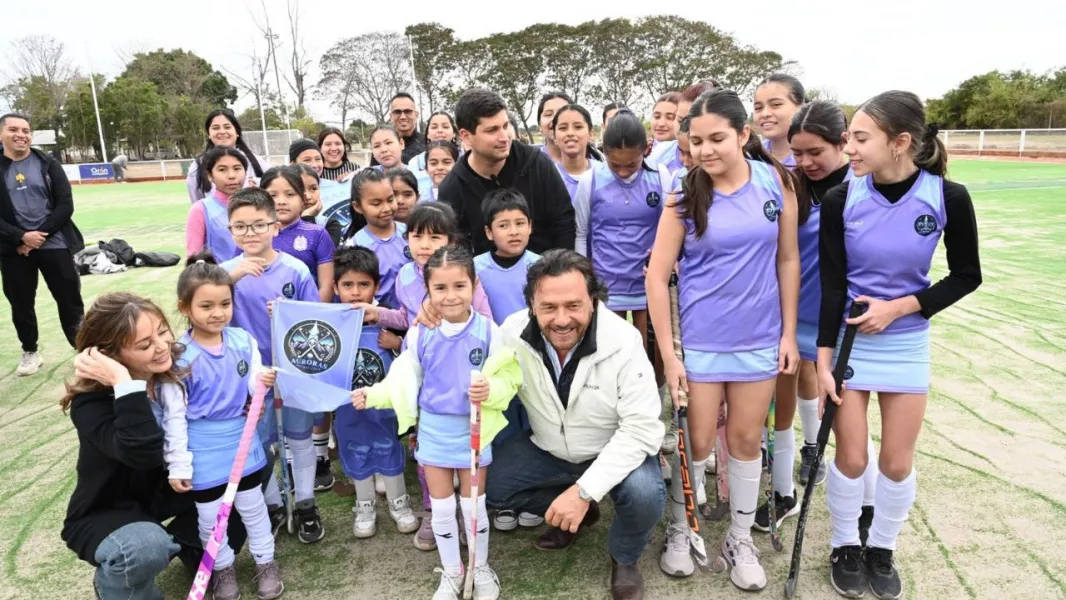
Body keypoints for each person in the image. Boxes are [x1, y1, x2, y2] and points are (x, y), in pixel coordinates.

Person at [819, 90, 981, 600]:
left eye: (861, 139)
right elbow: (831, 285)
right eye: (849, 138)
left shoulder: (948, 197)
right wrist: (823, 359)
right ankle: (845, 544)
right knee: (851, 458)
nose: (850, 149)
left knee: (894, 461)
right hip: (849, 347)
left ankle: (881, 547)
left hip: (907, 344)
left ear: (901, 142)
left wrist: (900, 307)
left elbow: (966, 276)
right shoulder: (840, 198)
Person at [646, 88, 800, 590]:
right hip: (703, 344)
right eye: (696, 141)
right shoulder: (683, 195)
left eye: (717, 139)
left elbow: (787, 260)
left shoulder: (776, 182)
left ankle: (739, 537)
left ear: (743, 135)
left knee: (746, 440)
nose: (706, 150)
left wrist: (789, 334)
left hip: (759, 340)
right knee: (697, 441)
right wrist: (670, 356)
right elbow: (656, 276)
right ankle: (680, 527)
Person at [488, 250, 666, 600]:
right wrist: (433, 320)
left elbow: (642, 429)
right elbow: (469, 344)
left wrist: (584, 490)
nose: (562, 319)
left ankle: (624, 556)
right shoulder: (511, 333)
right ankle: (578, 513)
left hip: (613, 450)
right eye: (549, 307)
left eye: (574, 305)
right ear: (531, 305)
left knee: (646, 496)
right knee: (493, 487)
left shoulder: (624, 341)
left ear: (594, 302)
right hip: (549, 448)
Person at [354, 244, 520, 600]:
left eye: (459, 286)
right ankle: (452, 572)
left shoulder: (491, 332)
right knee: (442, 508)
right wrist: (374, 395)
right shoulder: (419, 334)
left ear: (474, 285)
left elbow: (510, 378)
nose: (450, 296)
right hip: (434, 431)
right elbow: (404, 378)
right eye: (440, 288)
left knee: (474, 506)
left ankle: (479, 567)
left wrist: (491, 389)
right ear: (427, 291)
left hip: (474, 431)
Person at [61, 292, 250, 600]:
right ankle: (116, 584)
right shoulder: (90, 404)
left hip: (172, 490)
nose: (162, 346)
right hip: (112, 509)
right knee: (146, 547)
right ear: (112, 355)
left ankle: (192, 548)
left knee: (249, 472)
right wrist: (125, 383)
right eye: (145, 344)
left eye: (162, 331)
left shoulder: (177, 369)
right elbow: (143, 454)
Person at [369, 201, 495, 552]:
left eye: (434, 236)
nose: (424, 244)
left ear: (450, 240)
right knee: (424, 450)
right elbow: (405, 318)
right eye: (416, 235)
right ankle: (433, 511)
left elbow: (482, 319)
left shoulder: (465, 277)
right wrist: (378, 315)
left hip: (460, 375)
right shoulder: (405, 276)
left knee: (467, 452)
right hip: (423, 374)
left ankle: (468, 512)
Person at [757, 102, 856, 539]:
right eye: (797, 152)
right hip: (788, 314)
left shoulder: (861, 188)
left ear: (843, 143)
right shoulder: (789, 185)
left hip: (840, 320)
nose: (805, 162)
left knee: (840, 407)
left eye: (815, 151)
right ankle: (782, 493)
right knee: (779, 404)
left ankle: (816, 452)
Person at [170, 255, 283, 600]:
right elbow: (174, 413)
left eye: (225, 303)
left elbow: (252, 385)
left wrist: (261, 381)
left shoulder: (242, 340)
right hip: (202, 447)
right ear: (185, 307)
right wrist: (178, 462)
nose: (217, 313)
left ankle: (266, 563)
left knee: (254, 507)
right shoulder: (177, 355)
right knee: (210, 518)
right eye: (206, 305)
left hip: (242, 438)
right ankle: (222, 569)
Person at [220, 188, 326, 544]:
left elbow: (317, 322)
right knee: (258, 442)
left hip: (291, 370)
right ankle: (273, 503)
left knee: (299, 436)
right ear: (230, 229)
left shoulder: (295, 269)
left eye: (258, 225)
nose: (250, 233)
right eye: (240, 227)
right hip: (246, 377)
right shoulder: (221, 273)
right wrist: (230, 280)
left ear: (274, 225)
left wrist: (288, 313)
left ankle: (307, 503)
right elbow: (201, 313)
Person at [331, 246, 419, 539]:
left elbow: (409, 360)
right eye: (347, 285)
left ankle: (399, 502)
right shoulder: (331, 327)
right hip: (348, 408)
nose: (355, 292)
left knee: (388, 449)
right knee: (355, 451)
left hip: (384, 408)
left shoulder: (387, 322)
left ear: (376, 286)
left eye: (363, 284)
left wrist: (395, 344)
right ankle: (364, 504)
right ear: (335, 287)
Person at [473, 189, 544, 532]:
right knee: (501, 431)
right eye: (503, 224)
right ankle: (503, 500)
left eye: (520, 223)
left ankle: (535, 495)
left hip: (535, 365)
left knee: (534, 428)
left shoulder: (542, 266)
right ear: (489, 232)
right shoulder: (475, 270)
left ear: (531, 226)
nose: (513, 231)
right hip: (495, 370)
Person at [574, 110, 670, 351]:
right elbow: (581, 233)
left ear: (646, 150)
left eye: (632, 164)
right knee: (611, 349)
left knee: (650, 349)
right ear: (603, 151)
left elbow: (670, 231)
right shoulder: (591, 180)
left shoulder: (660, 177)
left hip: (649, 283)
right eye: (615, 165)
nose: (624, 171)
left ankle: (655, 390)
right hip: (607, 283)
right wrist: (584, 279)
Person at [438, 88, 575, 255]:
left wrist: (558, 271)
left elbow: (564, 223)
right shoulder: (452, 188)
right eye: (492, 130)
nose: (504, 137)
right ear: (466, 136)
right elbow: (456, 250)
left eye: (505, 126)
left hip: (545, 273)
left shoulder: (537, 164)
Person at [0, 113, 85, 377]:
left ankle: (82, 350)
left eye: (26, 130)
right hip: (14, 249)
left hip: (54, 243)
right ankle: (30, 351)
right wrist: (20, 237)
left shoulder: (48, 163)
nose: (21, 135)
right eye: (14, 129)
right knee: (21, 302)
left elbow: (65, 205)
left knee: (69, 299)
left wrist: (39, 236)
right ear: (1, 134)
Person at [261, 166, 335, 301]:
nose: (281, 201)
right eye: (273, 195)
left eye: (290, 194)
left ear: (303, 199)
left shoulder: (317, 234)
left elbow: (326, 287)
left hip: (306, 316)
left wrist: (310, 317)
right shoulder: (253, 234)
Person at [342, 168, 410, 309]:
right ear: (358, 207)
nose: (386, 208)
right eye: (376, 203)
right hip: (378, 323)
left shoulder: (411, 234)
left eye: (390, 199)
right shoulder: (355, 246)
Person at [186, 109, 267, 203]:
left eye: (227, 127)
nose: (222, 132)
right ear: (209, 134)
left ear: (237, 132)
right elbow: (196, 201)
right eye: (216, 128)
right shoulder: (198, 166)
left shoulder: (255, 161)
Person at [185, 147, 249, 260]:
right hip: (219, 276)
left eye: (237, 168)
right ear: (210, 175)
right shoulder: (201, 210)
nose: (231, 175)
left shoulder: (258, 206)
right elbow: (194, 258)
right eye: (222, 170)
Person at [552, 104, 601, 203]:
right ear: (554, 137)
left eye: (578, 127)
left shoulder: (603, 173)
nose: (570, 133)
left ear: (590, 134)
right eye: (563, 128)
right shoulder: (548, 177)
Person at [755, 74, 805, 169]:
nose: (765, 114)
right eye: (758, 108)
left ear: (801, 107)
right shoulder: (751, 156)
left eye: (776, 104)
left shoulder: (813, 159)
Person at [536, 92, 573, 163]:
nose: (555, 119)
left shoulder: (595, 159)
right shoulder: (530, 163)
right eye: (548, 114)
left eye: (562, 113)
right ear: (540, 125)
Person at [389, 92, 425, 164]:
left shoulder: (428, 144)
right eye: (397, 112)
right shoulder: (384, 146)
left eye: (407, 111)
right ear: (391, 116)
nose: (403, 117)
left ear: (416, 115)